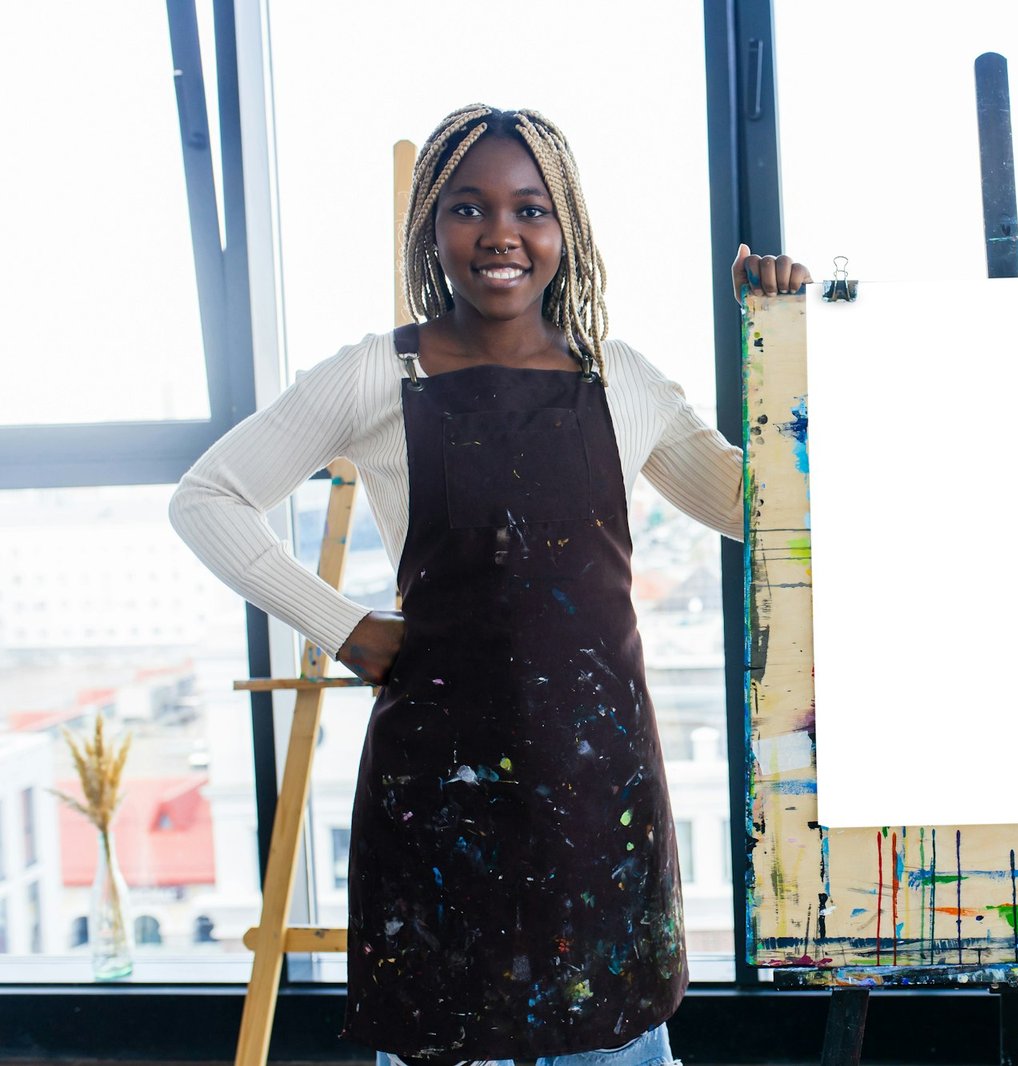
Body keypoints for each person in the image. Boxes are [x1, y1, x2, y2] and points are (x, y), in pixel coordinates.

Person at [170, 104, 811, 1066]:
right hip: (439, 802)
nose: (501, 234)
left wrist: (782, 339)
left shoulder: (623, 378)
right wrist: (341, 626)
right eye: (469, 207)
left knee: (611, 1037)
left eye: (531, 209)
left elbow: (759, 507)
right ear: (432, 226)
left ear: (567, 231)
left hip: (600, 796)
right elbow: (207, 496)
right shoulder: (373, 377)